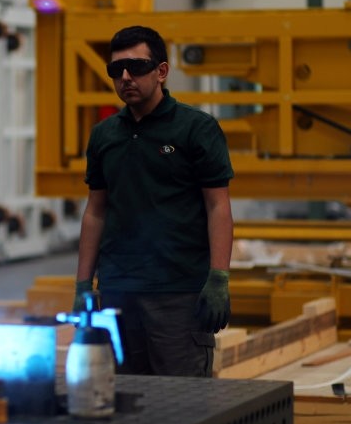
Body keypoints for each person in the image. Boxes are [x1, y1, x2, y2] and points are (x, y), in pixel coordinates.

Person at [74, 24, 234, 378]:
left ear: (161, 71)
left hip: (178, 295)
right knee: (124, 405)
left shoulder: (196, 129)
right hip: (118, 294)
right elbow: (95, 212)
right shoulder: (104, 136)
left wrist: (219, 277)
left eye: (137, 67)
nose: (126, 77)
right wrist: (84, 285)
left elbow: (217, 206)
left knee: (184, 406)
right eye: (117, 70)